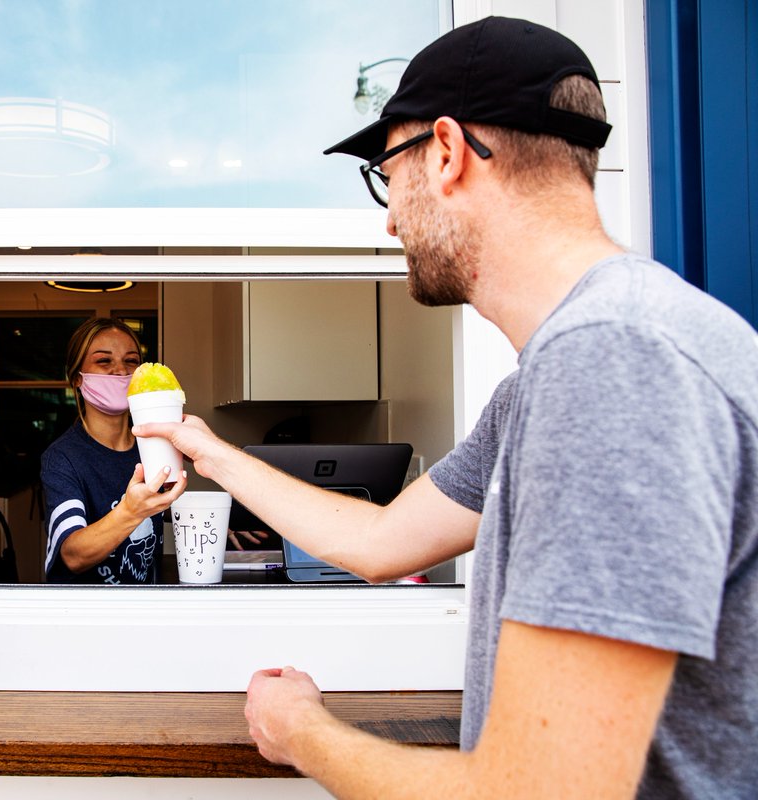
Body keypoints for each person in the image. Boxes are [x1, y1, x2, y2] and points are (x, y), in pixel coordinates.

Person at [135, 16, 758, 799]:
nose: (390, 217)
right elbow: (381, 540)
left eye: (387, 176)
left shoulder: (614, 362)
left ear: (449, 152)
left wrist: (301, 733)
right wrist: (206, 450)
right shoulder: (555, 374)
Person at [40, 317, 187, 584]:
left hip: (143, 612)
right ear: (76, 378)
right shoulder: (62, 458)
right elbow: (73, 555)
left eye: (131, 361)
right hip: (85, 616)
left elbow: (161, 506)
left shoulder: (154, 446)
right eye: (104, 361)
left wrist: (205, 520)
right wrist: (131, 511)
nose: (121, 371)